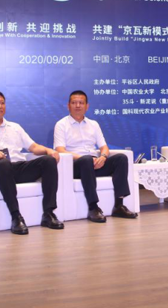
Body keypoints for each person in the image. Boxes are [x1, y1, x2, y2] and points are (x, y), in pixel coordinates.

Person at [0, 91, 64, 234]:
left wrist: (48, 150)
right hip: (1, 171)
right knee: (3, 163)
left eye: (2, 103)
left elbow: (33, 147)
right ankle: (16, 216)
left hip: (20, 168)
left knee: (49, 161)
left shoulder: (15, 127)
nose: (0, 106)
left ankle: (48, 214)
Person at [53, 90, 137, 223]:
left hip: (94, 164)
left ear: (87, 106)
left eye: (81, 103)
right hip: (75, 166)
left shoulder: (94, 124)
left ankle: (119, 205)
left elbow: (104, 147)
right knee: (86, 159)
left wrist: (102, 157)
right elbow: (60, 150)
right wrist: (84, 158)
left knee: (121, 158)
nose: (78, 106)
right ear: (68, 105)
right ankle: (93, 207)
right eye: (74, 103)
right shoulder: (61, 125)